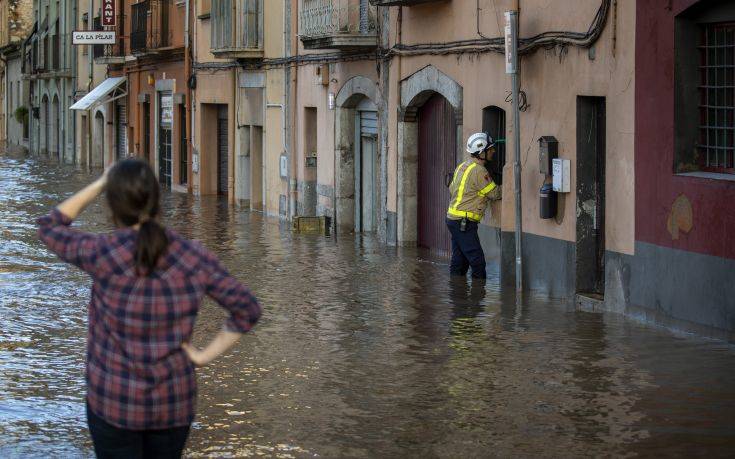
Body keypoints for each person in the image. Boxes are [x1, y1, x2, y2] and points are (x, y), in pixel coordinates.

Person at [37, 159, 261, 458]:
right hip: (173, 404)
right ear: (157, 201)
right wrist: (203, 356)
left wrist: (103, 182)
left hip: (114, 401)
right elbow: (247, 309)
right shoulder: (193, 256)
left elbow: (49, 225)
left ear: (112, 205)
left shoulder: (102, 252)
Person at [446, 132, 502, 279]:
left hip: (453, 219)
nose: (493, 151)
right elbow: (495, 194)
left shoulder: (462, 166)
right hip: (464, 222)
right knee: (478, 262)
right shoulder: (479, 171)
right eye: (490, 149)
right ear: (481, 152)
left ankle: (457, 293)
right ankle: (477, 297)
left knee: (459, 260)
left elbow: (452, 189)